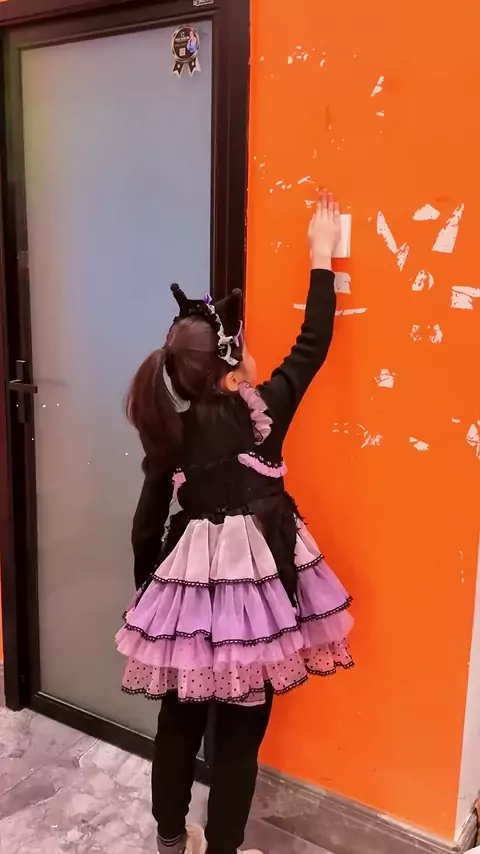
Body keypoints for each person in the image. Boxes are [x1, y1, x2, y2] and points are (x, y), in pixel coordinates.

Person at [115, 191, 354, 854]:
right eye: (241, 350)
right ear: (229, 372)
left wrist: (150, 595)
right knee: (240, 745)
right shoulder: (265, 411)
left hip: (187, 607)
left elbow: (145, 526)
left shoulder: (170, 429)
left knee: (178, 725)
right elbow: (313, 344)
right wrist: (322, 254)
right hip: (259, 612)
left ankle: (171, 841)